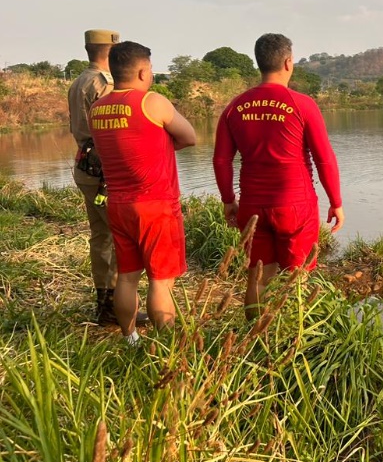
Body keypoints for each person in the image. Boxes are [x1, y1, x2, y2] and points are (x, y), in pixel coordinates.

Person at [213, 33, 344, 319]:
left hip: (252, 206)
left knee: (258, 276)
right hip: (295, 205)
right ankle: (295, 341)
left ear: (259, 63)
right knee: (298, 277)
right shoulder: (302, 104)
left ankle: (254, 339)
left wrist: (227, 199)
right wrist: (336, 201)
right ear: (288, 62)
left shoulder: (235, 106)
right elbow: (324, 159)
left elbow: (222, 160)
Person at [89, 41, 196, 344]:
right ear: (141, 71)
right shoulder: (152, 102)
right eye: (149, 70)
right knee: (161, 281)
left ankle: (130, 337)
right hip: (155, 205)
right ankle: (168, 345)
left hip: (118, 204)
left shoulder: (96, 109)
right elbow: (189, 136)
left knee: (127, 276)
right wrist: (162, 144)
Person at [67, 29, 146, 327]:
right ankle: (115, 306)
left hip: (85, 166)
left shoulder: (78, 81)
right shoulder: (104, 84)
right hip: (105, 170)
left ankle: (103, 304)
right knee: (119, 238)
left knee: (100, 236)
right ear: (111, 52)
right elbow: (116, 129)